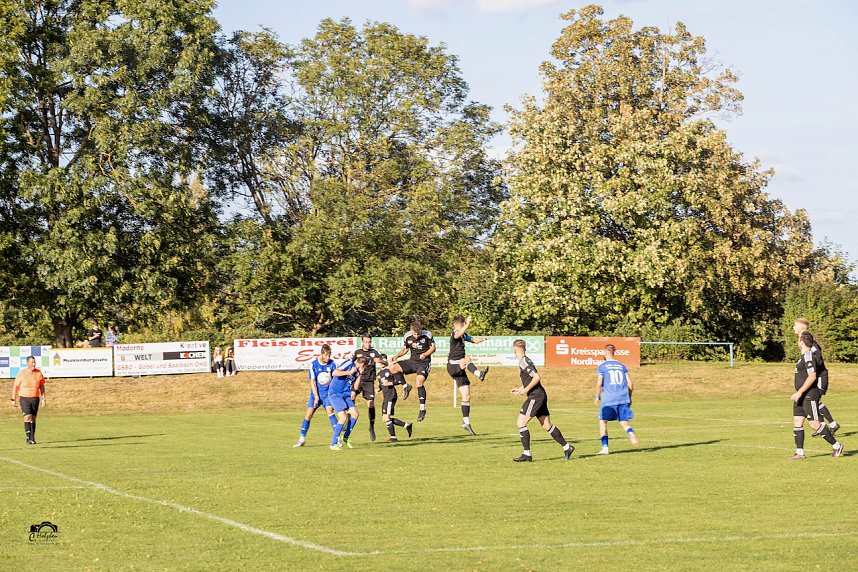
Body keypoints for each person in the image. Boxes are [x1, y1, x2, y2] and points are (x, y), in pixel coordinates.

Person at [510, 339, 574, 462]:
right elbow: (530, 380)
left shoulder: (524, 362)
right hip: (540, 395)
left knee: (521, 423)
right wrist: (520, 389)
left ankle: (527, 454)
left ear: (516, 351)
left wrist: (526, 390)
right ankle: (567, 447)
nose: (515, 354)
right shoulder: (526, 360)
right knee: (546, 425)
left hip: (536, 396)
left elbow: (537, 377)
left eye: (515, 352)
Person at [790, 331, 844, 459]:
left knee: (814, 423)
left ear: (802, 342)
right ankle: (800, 453)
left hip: (809, 394)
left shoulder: (809, 356)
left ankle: (837, 446)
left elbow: (812, 376)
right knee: (797, 421)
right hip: (801, 397)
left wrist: (800, 392)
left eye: (799, 340)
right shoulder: (803, 357)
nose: (798, 342)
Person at [793, 318, 839, 436]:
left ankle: (827, 425)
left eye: (795, 325)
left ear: (801, 328)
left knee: (813, 400)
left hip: (819, 377)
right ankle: (825, 425)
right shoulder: (802, 338)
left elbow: (817, 358)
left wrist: (811, 371)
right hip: (815, 375)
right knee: (812, 402)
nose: (793, 327)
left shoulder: (808, 339)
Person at [447, 315, 490, 435]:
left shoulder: (463, 335)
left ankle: (466, 423)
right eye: (463, 325)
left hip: (459, 369)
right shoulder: (455, 333)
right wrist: (467, 324)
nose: (464, 327)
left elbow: (473, 340)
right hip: (453, 366)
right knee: (466, 359)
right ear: (458, 325)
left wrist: (483, 339)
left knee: (467, 396)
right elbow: (457, 335)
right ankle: (479, 374)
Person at [594, 344, 640, 454]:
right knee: (623, 421)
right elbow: (630, 383)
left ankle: (605, 448)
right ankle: (631, 433)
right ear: (614, 353)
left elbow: (599, 383)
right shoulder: (622, 366)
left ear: (605, 353)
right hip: (623, 397)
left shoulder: (602, 366)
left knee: (603, 422)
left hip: (609, 398)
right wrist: (629, 397)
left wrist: (597, 396)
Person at [389, 320, 436, 421]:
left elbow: (433, 348)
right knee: (393, 367)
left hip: (423, 363)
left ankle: (422, 409)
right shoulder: (407, 336)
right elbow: (405, 349)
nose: (416, 336)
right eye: (414, 334)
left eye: (418, 333)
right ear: (411, 331)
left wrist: (425, 354)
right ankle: (406, 386)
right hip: (412, 361)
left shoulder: (427, 334)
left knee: (419, 382)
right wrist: (397, 355)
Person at [293, 344, 339, 447]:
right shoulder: (313, 364)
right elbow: (312, 382)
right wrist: (316, 396)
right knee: (309, 414)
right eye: (327, 355)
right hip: (315, 394)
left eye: (329, 355)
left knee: (330, 411)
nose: (328, 358)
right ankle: (301, 439)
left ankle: (337, 438)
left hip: (327, 394)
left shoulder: (332, 364)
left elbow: (335, 378)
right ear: (322, 354)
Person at [328, 357, 367, 450]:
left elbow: (356, 387)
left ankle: (345, 437)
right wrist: (349, 372)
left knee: (355, 414)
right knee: (343, 417)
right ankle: (333, 444)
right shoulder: (349, 363)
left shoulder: (358, 372)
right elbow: (334, 373)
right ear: (362, 364)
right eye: (365, 367)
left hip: (346, 394)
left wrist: (360, 374)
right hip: (335, 393)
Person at [351, 335, 385, 441]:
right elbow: (350, 363)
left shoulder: (375, 352)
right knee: (350, 398)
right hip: (358, 379)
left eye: (369, 342)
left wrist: (379, 360)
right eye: (366, 342)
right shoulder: (357, 352)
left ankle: (371, 427)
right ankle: (346, 422)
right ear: (362, 342)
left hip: (369, 381)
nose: (368, 344)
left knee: (370, 403)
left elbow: (385, 362)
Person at [11, 356, 46, 445]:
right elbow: (15, 386)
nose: (33, 364)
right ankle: (28, 438)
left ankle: (32, 437)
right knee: (27, 417)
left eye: (34, 362)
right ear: (27, 363)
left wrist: (43, 398)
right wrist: (13, 399)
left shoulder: (38, 373)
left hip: (35, 398)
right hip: (24, 398)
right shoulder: (22, 373)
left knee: (33, 418)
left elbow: (42, 386)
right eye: (31, 362)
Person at [377, 357, 413, 443]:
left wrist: (391, 383)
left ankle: (393, 438)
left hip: (391, 395)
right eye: (380, 361)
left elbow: (399, 380)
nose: (381, 363)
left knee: (386, 417)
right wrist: (378, 389)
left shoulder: (390, 370)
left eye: (382, 361)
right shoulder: (378, 372)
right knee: (385, 418)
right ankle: (406, 425)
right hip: (386, 396)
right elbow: (380, 383)